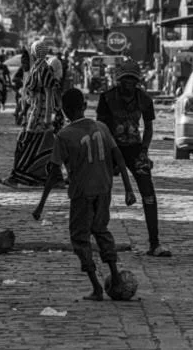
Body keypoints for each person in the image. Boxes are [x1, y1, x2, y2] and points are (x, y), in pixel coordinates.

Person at [32, 89, 137, 301]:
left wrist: (41, 205)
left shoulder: (63, 136)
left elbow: (53, 174)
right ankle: (116, 276)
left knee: (80, 238)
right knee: (101, 231)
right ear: (85, 106)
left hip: (81, 193)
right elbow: (119, 158)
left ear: (64, 110)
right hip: (104, 189)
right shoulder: (102, 127)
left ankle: (96, 287)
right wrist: (128, 188)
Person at [96, 60, 171, 257]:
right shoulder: (107, 98)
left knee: (149, 193)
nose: (128, 84)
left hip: (135, 149)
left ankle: (154, 243)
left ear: (137, 81)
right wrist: (110, 150)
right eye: (125, 80)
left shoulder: (144, 99)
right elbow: (101, 127)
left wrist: (144, 151)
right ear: (119, 80)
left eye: (132, 80)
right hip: (110, 148)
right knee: (100, 191)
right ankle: (97, 236)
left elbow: (149, 128)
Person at [0, 41, 64, 188]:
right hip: (35, 113)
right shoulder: (38, 68)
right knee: (48, 147)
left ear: (34, 53)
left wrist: (47, 118)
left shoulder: (43, 70)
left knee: (26, 145)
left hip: (39, 116)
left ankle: (16, 177)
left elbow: (49, 94)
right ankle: (54, 177)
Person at [12, 46, 31, 125]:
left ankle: (23, 115)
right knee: (20, 100)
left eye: (25, 63)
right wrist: (21, 81)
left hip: (30, 92)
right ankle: (19, 114)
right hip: (23, 91)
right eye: (22, 63)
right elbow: (14, 78)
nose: (23, 65)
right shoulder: (22, 69)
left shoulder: (33, 70)